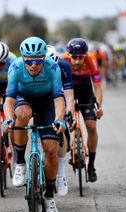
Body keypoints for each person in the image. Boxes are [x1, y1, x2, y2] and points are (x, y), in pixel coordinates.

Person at [2, 37, 66, 212]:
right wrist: (8, 119)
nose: (33, 65)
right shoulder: (15, 67)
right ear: (23, 59)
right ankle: (20, 162)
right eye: (29, 61)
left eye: (37, 60)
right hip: (24, 99)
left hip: (46, 102)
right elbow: (9, 100)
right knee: (21, 115)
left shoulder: (52, 67)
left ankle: (49, 196)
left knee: (51, 150)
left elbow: (59, 98)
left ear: (43, 58)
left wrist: (59, 119)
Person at [60, 38, 103, 183]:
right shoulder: (62, 60)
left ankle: (91, 166)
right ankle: (65, 138)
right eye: (74, 57)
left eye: (81, 57)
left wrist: (99, 106)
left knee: (91, 126)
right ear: (68, 55)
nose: (78, 61)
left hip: (85, 92)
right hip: (68, 92)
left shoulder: (91, 59)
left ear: (85, 55)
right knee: (62, 123)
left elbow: (97, 86)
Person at [46, 45, 74, 196]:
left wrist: (69, 115)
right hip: (41, 96)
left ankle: (61, 174)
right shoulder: (36, 66)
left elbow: (69, 95)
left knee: (60, 127)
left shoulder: (63, 65)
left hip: (58, 96)